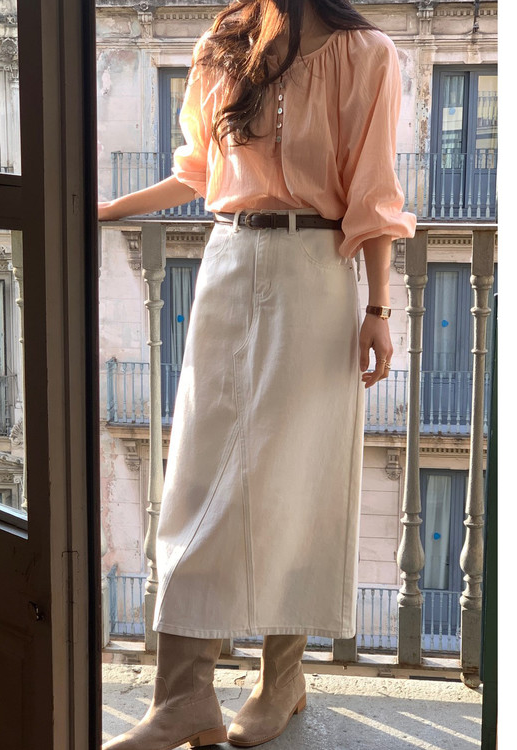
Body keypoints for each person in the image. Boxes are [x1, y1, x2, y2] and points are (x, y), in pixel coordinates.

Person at [99, 1, 416, 747]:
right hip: (228, 261)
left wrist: (378, 308)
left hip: (316, 271)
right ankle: (185, 698)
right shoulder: (222, 42)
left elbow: (372, 192)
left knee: (298, 479)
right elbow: (197, 170)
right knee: (197, 481)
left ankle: (282, 682)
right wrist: (109, 207)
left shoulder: (366, 53)